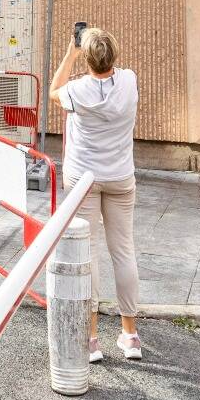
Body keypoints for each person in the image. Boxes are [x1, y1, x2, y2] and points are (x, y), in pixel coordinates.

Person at [48, 24, 142, 363]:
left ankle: (91, 339)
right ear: (114, 55)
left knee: (87, 253)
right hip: (120, 177)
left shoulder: (78, 90)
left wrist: (70, 52)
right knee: (123, 251)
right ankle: (130, 334)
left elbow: (53, 90)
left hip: (84, 179)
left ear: (86, 59)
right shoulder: (129, 81)